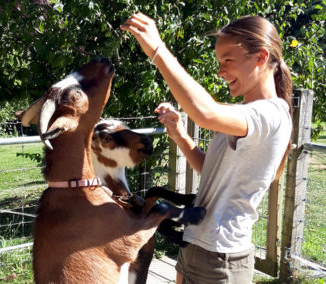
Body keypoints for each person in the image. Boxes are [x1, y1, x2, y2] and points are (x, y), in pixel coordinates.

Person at [121, 13, 293, 284]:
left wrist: (158, 50)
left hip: (221, 257)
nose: (220, 71)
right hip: (196, 246)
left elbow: (204, 112)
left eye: (228, 60)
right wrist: (180, 136)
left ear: (261, 57)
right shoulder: (247, 114)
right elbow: (210, 171)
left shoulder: (270, 115)